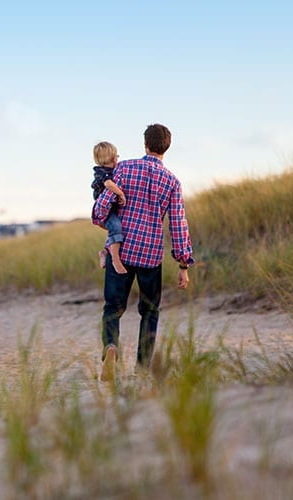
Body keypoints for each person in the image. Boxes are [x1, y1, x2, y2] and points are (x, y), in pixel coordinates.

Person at [92, 124, 194, 381]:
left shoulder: (124, 168)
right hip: (151, 256)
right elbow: (178, 225)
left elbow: (101, 208)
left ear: (145, 144)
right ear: (166, 147)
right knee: (149, 311)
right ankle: (143, 367)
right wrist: (183, 265)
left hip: (122, 251)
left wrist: (103, 217)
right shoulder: (172, 181)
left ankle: (111, 348)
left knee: (112, 308)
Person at [91, 141, 127, 275]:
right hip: (105, 211)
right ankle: (115, 260)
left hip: (112, 209)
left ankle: (105, 252)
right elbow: (109, 184)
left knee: (117, 230)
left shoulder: (113, 171)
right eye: (117, 156)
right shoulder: (102, 172)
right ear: (113, 158)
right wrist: (120, 193)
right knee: (116, 227)